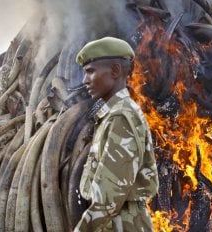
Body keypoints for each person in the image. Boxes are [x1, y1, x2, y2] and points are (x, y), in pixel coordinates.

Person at [74, 36, 159, 232]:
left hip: (121, 224)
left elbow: (108, 198)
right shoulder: (114, 113)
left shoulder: (121, 116)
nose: (84, 80)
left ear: (115, 71)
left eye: (90, 71)